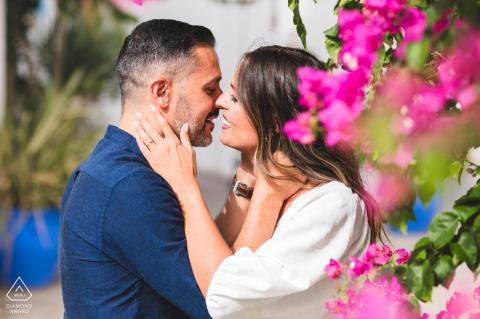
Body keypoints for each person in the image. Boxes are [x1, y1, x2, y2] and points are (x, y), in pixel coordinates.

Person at [134, 45, 384, 318]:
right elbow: (216, 268)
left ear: (276, 120)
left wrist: (186, 186)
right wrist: (250, 180)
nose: (220, 102)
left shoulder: (332, 204)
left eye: (237, 97)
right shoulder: (268, 184)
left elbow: (225, 298)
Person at [59, 19, 222, 318]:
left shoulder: (103, 166)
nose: (221, 100)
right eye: (210, 88)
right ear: (162, 92)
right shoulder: (130, 186)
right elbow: (222, 302)